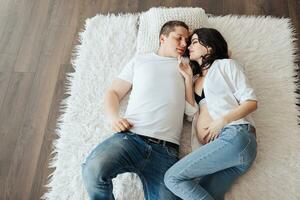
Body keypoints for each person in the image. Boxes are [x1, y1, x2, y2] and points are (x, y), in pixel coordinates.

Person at [81, 21, 197, 200]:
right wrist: (113, 118)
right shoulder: (141, 60)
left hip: (166, 152)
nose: (184, 44)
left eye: (187, 40)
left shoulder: (188, 65)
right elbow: (113, 92)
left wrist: (190, 76)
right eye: (178, 38)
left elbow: (191, 112)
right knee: (94, 169)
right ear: (162, 38)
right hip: (132, 137)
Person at [164, 28, 258, 200]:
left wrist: (221, 122)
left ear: (209, 47)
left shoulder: (226, 65)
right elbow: (191, 113)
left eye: (194, 42)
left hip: (235, 135)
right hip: (225, 151)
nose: (188, 47)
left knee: (172, 178)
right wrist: (187, 79)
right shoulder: (195, 80)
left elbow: (251, 102)